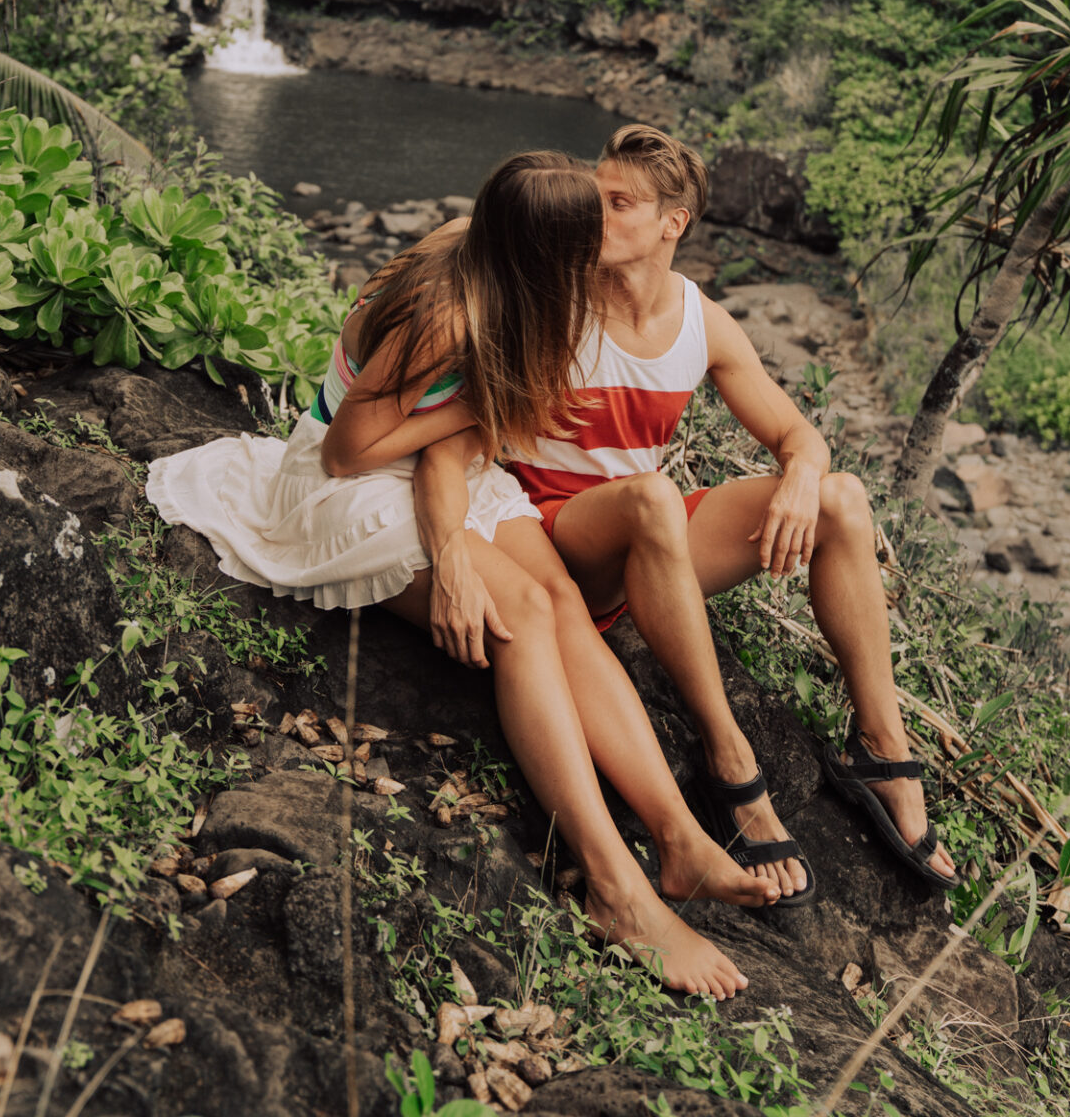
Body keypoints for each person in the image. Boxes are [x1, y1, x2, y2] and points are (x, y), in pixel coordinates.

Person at [148, 149, 778, 998]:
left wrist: (462, 486)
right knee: (517, 609)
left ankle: (676, 838)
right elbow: (346, 451)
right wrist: (474, 451)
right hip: (348, 485)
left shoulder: (507, 274)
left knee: (556, 593)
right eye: (586, 236)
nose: (601, 252)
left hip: (441, 470)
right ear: (540, 250)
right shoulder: (450, 308)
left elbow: (452, 446)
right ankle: (614, 889)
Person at [507, 125, 958, 904]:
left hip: (639, 547)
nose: (594, 217)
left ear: (671, 223)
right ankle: (728, 755)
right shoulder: (553, 286)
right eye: (592, 199)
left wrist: (800, 475)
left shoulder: (700, 322)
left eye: (618, 205)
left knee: (840, 499)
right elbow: (472, 243)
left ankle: (881, 749)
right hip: (550, 542)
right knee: (652, 497)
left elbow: (795, 433)